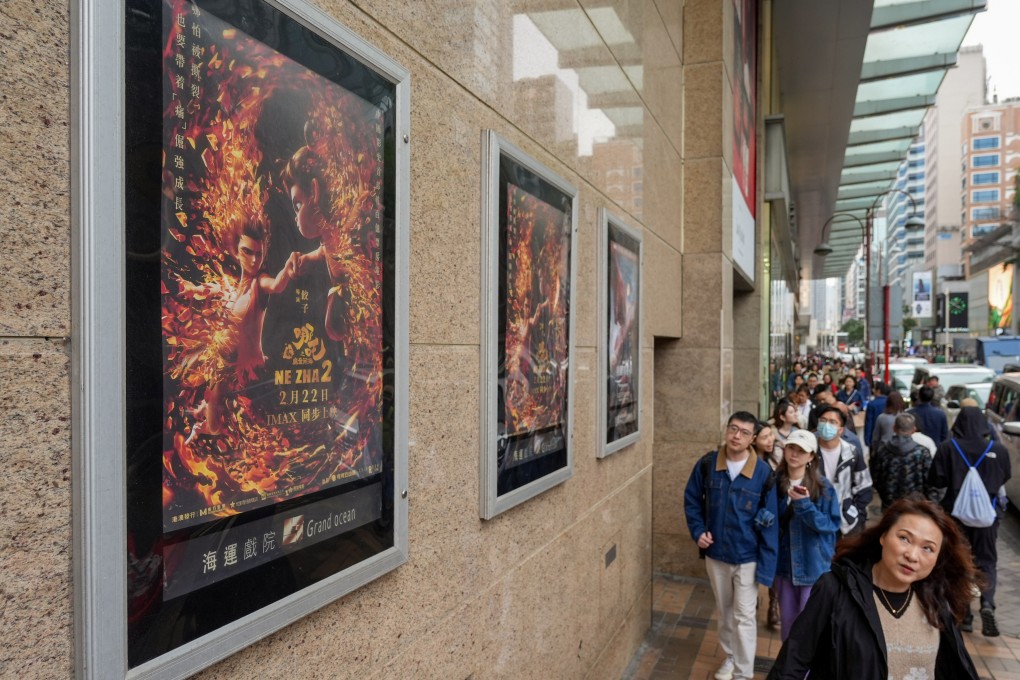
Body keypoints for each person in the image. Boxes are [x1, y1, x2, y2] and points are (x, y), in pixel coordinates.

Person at [767, 497, 981, 679]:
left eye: (928, 548)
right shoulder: (836, 589)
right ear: (883, 536)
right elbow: (792, 663)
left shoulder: (937, 604)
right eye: (904, 538)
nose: (912, 556)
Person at [684, 412, 779, 680]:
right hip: (716, 554)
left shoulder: (763, 473)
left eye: (744, 432)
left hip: (748, 556)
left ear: (753, 438)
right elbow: (692, 500)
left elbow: (771, 520)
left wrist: (767, 568)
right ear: (726, 430)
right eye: (733, 429)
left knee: (745, 615)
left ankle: (743, 673)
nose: (737, 436)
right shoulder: (707, 464)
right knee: (725, 612)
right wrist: (698, 531)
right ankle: (730, 656)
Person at [927, 406, 1011, 636]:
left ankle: (964, 613)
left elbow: (936, 479)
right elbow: (1005, 476)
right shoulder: (998, 450)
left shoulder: (948, 448)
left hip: (955, 516)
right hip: (987, 518)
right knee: (987, 561)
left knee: (958, 561)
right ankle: (987, 602)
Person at [772, 429, 841, 641]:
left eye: (802, 451)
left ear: (811, 456)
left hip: (813, 567)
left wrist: (804, 505)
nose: (795, 454)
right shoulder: (774, 482)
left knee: (810, 628)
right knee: (788, 627)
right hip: (784, 566)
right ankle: (788, 663)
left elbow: (830, 524)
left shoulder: (823, 487)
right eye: (791, 448)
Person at [814, 405, 873, 537]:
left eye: (832, 422)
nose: (826, 425)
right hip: (816, 516)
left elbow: (864, 485)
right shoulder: (810, 451)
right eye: (823, 420)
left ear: (841, 430)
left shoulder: (851, 453)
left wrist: (855, 512)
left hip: (844, 519)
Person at [870, 413, 932, 511]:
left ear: (894, 428)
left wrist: (884, 493)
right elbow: (929, 479)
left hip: (889, 502)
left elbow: (875, 476)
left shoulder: (883, 450)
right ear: (914, 430)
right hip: (915, 503)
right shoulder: (922, 452)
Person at [754, 420, 782, 630]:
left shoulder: (777, 460)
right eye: (765, 437)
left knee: (772, 562)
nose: (770, 440)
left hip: (773, 521)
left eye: (771, 435)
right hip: (752, 523)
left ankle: (773, 604)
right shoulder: (748, 462)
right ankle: (752, 596)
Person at [772, 398, 799, 469]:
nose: (795, 414)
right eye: (791, 412)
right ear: (782, 417)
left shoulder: (798, 433)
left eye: (795, 411)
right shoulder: (772, 433)